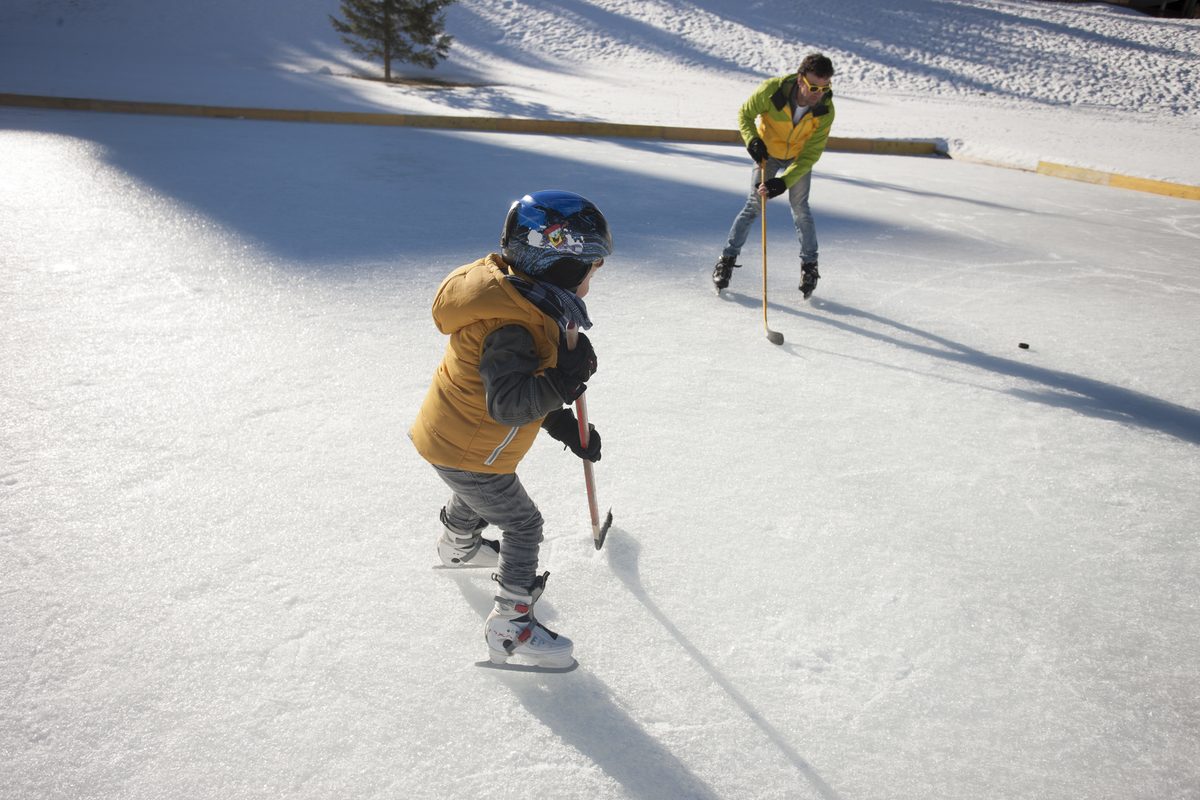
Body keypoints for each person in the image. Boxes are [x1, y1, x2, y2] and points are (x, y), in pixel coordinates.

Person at [409, 190, 611, 671]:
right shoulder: (512, 326)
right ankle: (511, 625)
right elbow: (509, 405)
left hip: (455, 438)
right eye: (591, 268)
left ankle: (458, 545)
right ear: (559, 265)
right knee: (523, 523)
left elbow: (516, 390)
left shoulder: (523, 300)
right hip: (470, 445)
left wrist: (562, 423)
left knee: (480, 488)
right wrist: (563, 381)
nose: (593, 280)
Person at [713, 52, 835, 299]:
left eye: (824, 87)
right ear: (800, 80)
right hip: (767, 154)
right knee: (754, 206)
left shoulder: (825, 109)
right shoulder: (772, 90)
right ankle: (726, 260)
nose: (817, 93)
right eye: (813, 87)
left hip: (798, 159)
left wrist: (783, 182)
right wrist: (753, 141)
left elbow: (810, 155)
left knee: (800, 208)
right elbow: (745, 115)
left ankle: (810, 266)